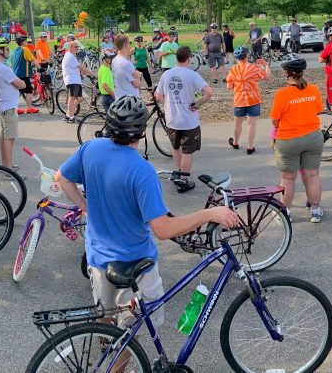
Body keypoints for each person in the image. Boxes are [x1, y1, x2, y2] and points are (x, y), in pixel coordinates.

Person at [52, 96, 241, 340]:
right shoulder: (142, 171)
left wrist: (86, 207)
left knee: (105, 317)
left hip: (98, 256)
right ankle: (117, 363)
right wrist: (210, 213)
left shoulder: (91, 148)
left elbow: (61, 178)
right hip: (134, 263)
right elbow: (162, 229)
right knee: (130, 333)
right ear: (141, 132)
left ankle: (105, 349)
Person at [269, 57, 325, 222]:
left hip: (289, 139)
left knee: (288, 178)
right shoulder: (313, 90)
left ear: (287, 74)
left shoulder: (282, 94)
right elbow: (318, 110)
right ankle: (315, 211)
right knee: (312, 175)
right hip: (312, 137)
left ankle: (286, 213)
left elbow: (275, 120)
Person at [155, 46, 212, 192]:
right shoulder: (192, 75)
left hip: (172, 119)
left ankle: (179, 172)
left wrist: (169, 102)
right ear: (188, 58)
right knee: (187, 151)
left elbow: (159, 96)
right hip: (188, 120)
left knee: (176, 147)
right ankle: (183, 179)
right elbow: (208, 92)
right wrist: (197, 104)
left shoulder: (166, 75)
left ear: (176, 58)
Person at [226, 46, 268, 154]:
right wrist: (266, 65)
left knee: (237, 123)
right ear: (247, 56)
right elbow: (267, 77)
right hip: (253, 99)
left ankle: (235, 142)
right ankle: (250, 147)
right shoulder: (254, 68)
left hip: (239, 99)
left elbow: (229, 87)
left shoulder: (233, 69)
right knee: (251, 124)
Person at [0, 40, 26, 169]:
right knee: (9, 138)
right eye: (6, 49)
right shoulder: (3, 68)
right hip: (8, 107)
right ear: (0, 51)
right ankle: (8, 168)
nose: (8, 51)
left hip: (5, 106)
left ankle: (5, 164)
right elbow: (21, 84)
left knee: (5, 137)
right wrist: (21, 82)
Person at [61, 40, 92, 123]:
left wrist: (83, 73)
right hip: (72, 80)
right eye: (75, 47)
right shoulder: (70, 56)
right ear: (70, 47)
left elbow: (78, 67)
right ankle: (71, 117)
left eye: (78, 47)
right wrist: (93, 74)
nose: (77, 48)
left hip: (75, 80)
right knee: (72, 98)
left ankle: (68, 114)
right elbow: (81, 67)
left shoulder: (71, 56)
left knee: (81, 98)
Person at [9, 35, 37, 114]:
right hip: (23, 74)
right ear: (22, 42)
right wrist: (40, 67)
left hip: (15, 73)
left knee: (17, 92)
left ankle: (15, 108)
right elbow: (33, 59)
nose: (27, 43)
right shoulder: (25, 49)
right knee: (29, 91)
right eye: (25, 41)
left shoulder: (16, 49)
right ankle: (29, 108)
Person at [111, 34, 142, 99]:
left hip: (120, 98)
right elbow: (138, 85)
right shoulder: (126, 63)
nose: (130, 45)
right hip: (130, 101)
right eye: (129, 43)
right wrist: (140, 75)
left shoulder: (114, 60)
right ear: (125, 45)